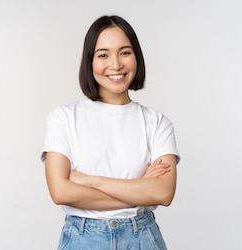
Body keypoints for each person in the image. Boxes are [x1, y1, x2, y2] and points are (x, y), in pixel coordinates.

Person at [41, 15, 180, 250]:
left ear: (136, 56)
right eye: (103, 55)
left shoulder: (156, 122)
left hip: (142, 238)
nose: (116, 65)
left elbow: (163, 193)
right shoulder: (64, 117)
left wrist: (88, 181)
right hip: (83, 238)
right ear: (90, 61)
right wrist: (140, 188)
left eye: (125, 52)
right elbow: (61, 191)